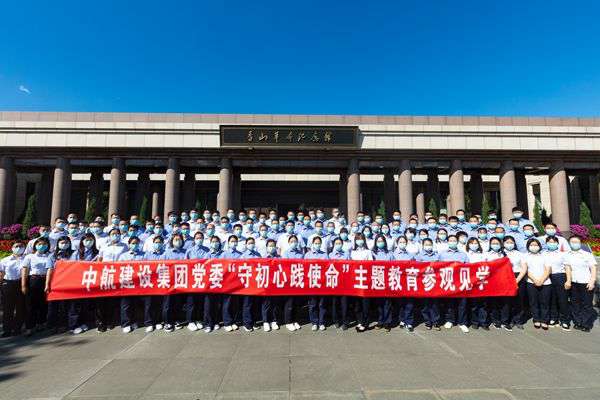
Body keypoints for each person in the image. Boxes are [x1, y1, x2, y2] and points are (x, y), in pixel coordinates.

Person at [563, 235, 597, 332]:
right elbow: (568, 268)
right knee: (575, 303)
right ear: (569, 243)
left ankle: (586, 324)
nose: (574, 244)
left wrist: (592, 281)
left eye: (576, 242)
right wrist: (568, 281)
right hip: (574, 282)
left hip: (586, 282)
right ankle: (577, 322)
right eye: (572, 242)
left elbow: (593, 268)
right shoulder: (567, 255)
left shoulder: (587, 254)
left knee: (587, 304)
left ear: (580, 243)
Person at [96, 228, 127, 332]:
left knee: (112, 301)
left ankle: (110, 321)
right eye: (113, 234)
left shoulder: (124, 246)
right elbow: (99, 260)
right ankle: (101, 322)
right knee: (101, 300)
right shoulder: (104, 246)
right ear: (109, 236)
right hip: (104, 274)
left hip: (117, 274)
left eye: (117, 233)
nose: (115, 235)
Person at [22, 237, 54, 335]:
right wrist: (23, 285)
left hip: (45, 280)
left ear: (48, 246)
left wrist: (47, 284)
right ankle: (29, 327)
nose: (42, 246)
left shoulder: (50, 256)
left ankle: (41, 323)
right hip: (33, 280)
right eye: (39, 244)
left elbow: (50, 269)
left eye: (44, 244)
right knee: (31, 304)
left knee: (43, 304)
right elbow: (25, 270)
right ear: (35, 245)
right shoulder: (30, 256)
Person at [68, 233, 98, 334]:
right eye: (86, 240)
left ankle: (82, 322)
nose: (88, 242)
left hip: (89, 281)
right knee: (75, 305)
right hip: (77, 281)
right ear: (82, 241)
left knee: (85, 304)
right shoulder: (77, 253)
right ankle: (73, 325)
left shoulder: (96, 253)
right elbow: (71, 266)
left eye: (91, 240)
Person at [439, 235, 469, 333]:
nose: (452, 242)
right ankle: (449, 320)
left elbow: (468, 267)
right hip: (449, 281)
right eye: (450, 240)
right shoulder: (442, 254)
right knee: (449, 303)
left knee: (462, 303)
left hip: (461, 281)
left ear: (457, 242)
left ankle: (462, 322)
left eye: (454, 240)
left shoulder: (463, 254)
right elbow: (438, 267)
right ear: (447, 242)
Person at [118, 236, 146, 333]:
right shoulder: (123, 256)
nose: (135, 245)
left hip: (138, 283)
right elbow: (119, 269)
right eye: (133, 243)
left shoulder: (143, 255)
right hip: (127, 283)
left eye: (137, 243)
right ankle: (126, 323)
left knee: (135, 304)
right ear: (129, 244)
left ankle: (134, 321)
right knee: (126, 304)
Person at [46, 236, 74, 333]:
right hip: (55, 282)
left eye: (66, 243)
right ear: (58, 244)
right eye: (62, 243)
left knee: (65, 305)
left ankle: (63, 324)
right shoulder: (52, 256)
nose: (64, 244)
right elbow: (49, 270)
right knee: (53, 306)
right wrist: (47, 284)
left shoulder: (74, 254)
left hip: (68, 283)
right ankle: (52, 326)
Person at [183, 231, 209, 332]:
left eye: (201, 238)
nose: (199, 239)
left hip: (203, 280)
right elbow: (185, 265)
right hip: (192, 280)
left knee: (200, 301)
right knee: (191, 302)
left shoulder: (207, 250)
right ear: (194, 239)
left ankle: (198, 319)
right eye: (197, 238)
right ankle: (190, 321)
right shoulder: (189, 251)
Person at [523, 238, 551, 330]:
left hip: (546, 282)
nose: (534, 247)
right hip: (531, 282)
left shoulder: (544, 256)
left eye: (536, 245)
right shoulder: (525, 257)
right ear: (528, 246)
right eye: (531, 245)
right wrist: (535, 280)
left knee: (545, 302)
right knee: (533, 302)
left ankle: (544, 320)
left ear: (539, 246)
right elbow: (526, 270)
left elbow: (548, 270)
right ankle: (536, 319)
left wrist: (542, 280)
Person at [162, 233, 188, 332]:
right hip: (169, 282)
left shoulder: (186, 252)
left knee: (178, 303)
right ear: (172, 241)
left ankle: (177, 320)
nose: (178, 241)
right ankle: (167, 322)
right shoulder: (167, 253)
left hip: (181, 281)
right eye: (176, 239)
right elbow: (161, 266)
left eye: (179, 239)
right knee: (168, 304)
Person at [0, 241, 26, 337]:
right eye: (16, 246)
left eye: (21, 246)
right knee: (7, 308)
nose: (19, 248)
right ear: (12, 248)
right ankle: (7, 330)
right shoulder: (5, 260)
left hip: (21, 283)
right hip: (8, 284)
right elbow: (1, 273)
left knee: (20, 307)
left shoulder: (27, 259)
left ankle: (17, 329)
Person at [544, 236, 570, 330]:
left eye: (554, 242)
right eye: (549, 242)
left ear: (557, 243)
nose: (552, 244)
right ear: (546, 243)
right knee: (551, 299)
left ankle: (564, 320)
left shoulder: (562, 254)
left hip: (560, 276)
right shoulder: (543, 254)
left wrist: (568, 280)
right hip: (547, 277)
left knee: (562, 299)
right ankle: (553, 318)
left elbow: (567, 267)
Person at [415, 238, 441, 330]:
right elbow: (416, 269)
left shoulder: (437, 256)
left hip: (434, 282)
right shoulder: (418, 256)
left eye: (429, 244)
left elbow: (441, 268)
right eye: (426, 244)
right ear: (422, 246)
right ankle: (428, 321)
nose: (428, 246)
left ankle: (436, 321)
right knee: (425, 304)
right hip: (423, 282)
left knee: (434, 304)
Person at [503, 235, 527, 330]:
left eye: (511, 242)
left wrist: (517, 280)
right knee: (507, 301)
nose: (509, 244)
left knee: (519, 300)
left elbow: (524, 268)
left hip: (518, 277)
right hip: (504, 277)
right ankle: (507, 320)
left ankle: (518, 320)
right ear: (503, 243)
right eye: (507, 242)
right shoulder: (501, 253)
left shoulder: (519, 254)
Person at [485, 236, 509, 331]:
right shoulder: (486, 254)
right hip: (491, 280)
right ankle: (495, 320)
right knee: (494, 302)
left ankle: (505, 321)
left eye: (497, 243)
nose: (495, 245)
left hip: (503, 280)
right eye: (493, 243)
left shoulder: (504, 254)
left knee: (504, 302)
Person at [305, 236, 328, 331]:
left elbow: (327, 267)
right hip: (312, 283)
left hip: (322, 283)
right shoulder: (307, 255)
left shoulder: (324, 255)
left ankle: (322, 322)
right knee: (313, 304)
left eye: (319, 243)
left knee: (322, 304)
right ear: (312, 244)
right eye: (316, 243)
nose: (317, 245)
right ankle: (314, 322)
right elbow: (305, 268)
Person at [238, 237, 262, 332]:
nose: (251, 245)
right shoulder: (243, 256)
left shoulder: (258, 255)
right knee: (247, 304)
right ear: (246, 244)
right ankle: (247, 323)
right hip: (247, 283)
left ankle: (254, 321)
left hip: (256, 282)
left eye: (252, 243)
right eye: (249, 243)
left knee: (255, 304)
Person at [350, 232, 373, 332]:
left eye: (361, 239)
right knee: (357, 304)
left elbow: (371, 265)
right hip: (355, 280)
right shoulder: (352, 252)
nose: (360, 241)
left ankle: (365, 323)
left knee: (365, 304)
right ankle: (359, 321)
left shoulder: (368, 252)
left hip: (365, 280)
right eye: (358, 239)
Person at [371, 235, 394, 331]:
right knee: (379, 303)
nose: (380, 243)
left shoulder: (389, 253)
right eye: (378, 241)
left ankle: (387, 322)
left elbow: (394, 266)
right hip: (377, 280)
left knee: (387, 303)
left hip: (387, 280)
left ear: (385, 242)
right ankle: (380, 321)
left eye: (382, 241)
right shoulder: (373, 253)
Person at [145, 236, 167, 332]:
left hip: (162, 281)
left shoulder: (166, 254)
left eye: (159, 242)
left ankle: (158, 321)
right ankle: (149, 323)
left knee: (159, 303)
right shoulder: (147, 254)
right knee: (149, 304)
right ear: (153, 243)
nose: (158, 244)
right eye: (156, 242)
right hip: (150, 282)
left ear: (163, 244)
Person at [202, 235, 224, 333]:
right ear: (210, 243)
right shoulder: (207, 255)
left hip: (220, 283)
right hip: (209, 284)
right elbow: (204, 267)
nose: (215, 243)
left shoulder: (223, 254)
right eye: (213, 241)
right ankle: (208, 323)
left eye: (216, 241)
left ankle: (216, 322)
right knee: (208, 305)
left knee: (217, 304)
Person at [282, 234, 304, 331]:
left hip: (298, 280)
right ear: (288, 243)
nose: (293, 243)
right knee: (289, 303)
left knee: (297, 303)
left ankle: (295, 320)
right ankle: (288, 322)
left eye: (295, 241)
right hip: (289, 281)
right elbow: (285, 266)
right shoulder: (286, 253)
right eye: (291, 241)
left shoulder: (300, 254)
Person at [466, 237, 488, 330]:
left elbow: (487, 266)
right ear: (468, 245)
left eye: (475, 243)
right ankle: (474, 322)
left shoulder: (483, 254)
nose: (474, 245)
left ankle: (483, 322)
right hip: (471, 281)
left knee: (483, 303)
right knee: (473, 303)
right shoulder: (466, 254)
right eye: (471, 243)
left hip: (482, 280)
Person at [329, 237, 350, 330]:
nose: (338, 245)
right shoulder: (330, 255)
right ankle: (336, 320)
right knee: (335, 303)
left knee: (344, 303)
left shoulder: (346, 254)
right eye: (336, 243)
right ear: (334, 245)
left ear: (342, 244)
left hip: (344, 282)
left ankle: (345, 322)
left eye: (339, 243)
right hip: (334, 282)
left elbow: (350, 266)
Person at [261, 239, 280, 332]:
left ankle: (274, 320)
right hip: (266, 283)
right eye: (270, 246)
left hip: (276, 283)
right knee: (266, 303)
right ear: (266, 247)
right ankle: (265, 321)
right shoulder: (263, 257)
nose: (271, 247)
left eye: (273, 246)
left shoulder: (279, 257)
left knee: (275, 303)